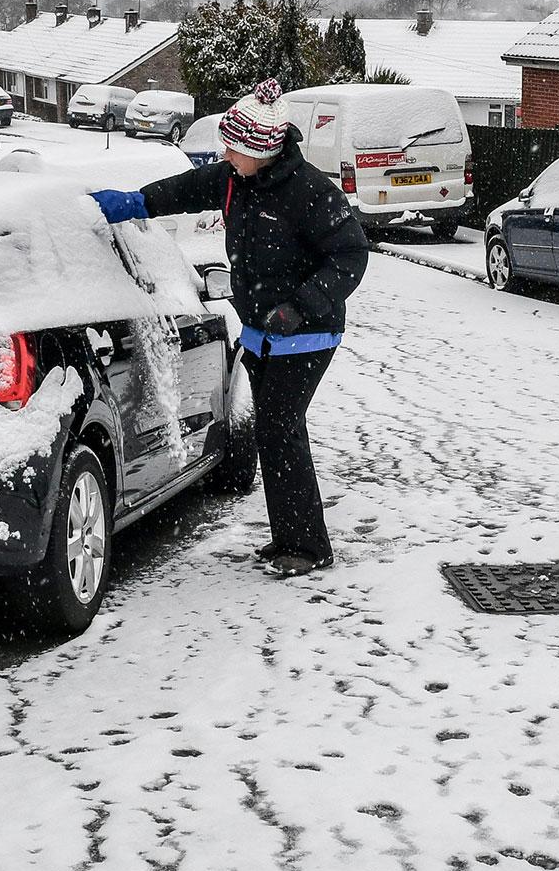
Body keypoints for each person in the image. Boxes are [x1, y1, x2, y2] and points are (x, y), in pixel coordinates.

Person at [90, 79, 368, 577]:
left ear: (260, 151)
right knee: (274, 433)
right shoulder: (236, 179)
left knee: (281, 430)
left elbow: (350, 255)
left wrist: (302, 306)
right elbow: (183, 191)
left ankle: (306, 547)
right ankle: (293, 539)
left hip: (308, 334)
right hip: (264, 332)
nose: (224, 154)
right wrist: (131, 203)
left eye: (233, 148)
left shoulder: (310, 193)